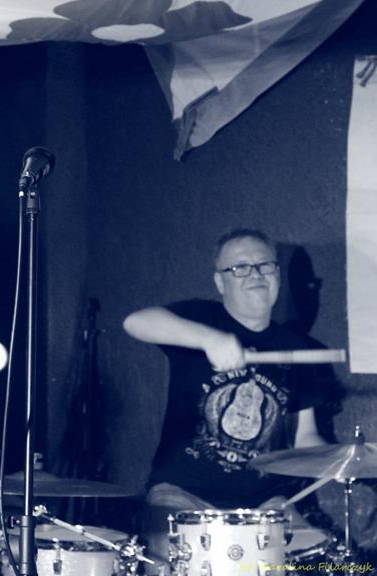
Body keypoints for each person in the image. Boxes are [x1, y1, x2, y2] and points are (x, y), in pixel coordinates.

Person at [123, 228, 328, 561]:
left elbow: (306, 437)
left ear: (277, 276)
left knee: (319, 556)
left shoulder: (295, 347)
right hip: (182, 495)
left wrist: (349, 463)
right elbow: (136, 322)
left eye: (264, 265)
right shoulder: (202, 317)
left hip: (265, 503)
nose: (255, 274)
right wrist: (208, 339)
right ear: (220, 282)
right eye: (240, 267)